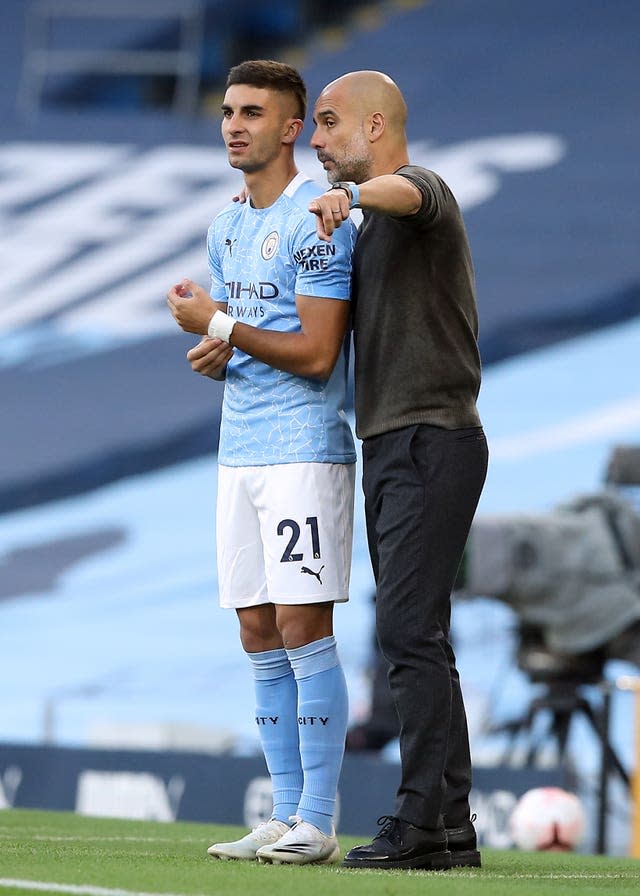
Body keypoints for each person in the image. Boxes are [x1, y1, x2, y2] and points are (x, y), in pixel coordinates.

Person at [167, 60, 357, 866]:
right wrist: (215, 347)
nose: (233, 124)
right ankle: (282, 813)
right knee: (254, 627)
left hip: (303, 451)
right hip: (237, 449)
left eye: (253, 111)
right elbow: (240, 334)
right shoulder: (225, 226)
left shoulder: (317, 222)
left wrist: (224, 327)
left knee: (302, 623)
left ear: (291, 127)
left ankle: (319, 814)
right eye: (226, 111)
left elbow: (317, 355)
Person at [307, 70, 489, 871]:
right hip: (396, 441)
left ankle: (417, 826)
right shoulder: (365, 229)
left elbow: (412, 192)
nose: (316, 139)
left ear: (376, 127)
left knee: (409, 633)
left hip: (429, 436)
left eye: (328, 122)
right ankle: (448, 823)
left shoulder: (418, 196)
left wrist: (356, 198)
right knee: (422, 634)